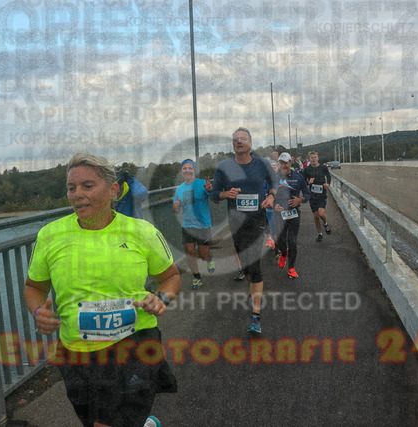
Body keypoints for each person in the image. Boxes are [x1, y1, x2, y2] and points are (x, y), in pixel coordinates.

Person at [24, 152, 180, 427]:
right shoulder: (50, 235)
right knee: (93, 419)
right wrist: (38, 311)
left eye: (87, 186)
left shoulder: (142, 232)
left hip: (133, 344)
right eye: (71, 188)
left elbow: (171, 277)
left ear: (112, 190)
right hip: (76, 351)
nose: (77, 194)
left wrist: (161, 297)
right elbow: (33, 287)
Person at [211, 127, 277, 334]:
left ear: (250, 143)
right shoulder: (224, 166)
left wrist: (271, 196)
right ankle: (252, 289)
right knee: (246, 267)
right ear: (233, 144)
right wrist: (226, 194)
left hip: (257, 220)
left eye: (243, 139)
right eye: (235, 139)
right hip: (236, 223)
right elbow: (214, 195)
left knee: (254, 266)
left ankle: (255, 317)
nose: (239, 142)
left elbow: (274, 181)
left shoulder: (262, 164)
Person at [173, 159, 215, 290]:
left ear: (194, 170)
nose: (187, 170)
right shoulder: (179, 189)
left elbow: (215, 198)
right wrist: (176, 206)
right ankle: (197, 278)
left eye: (190, 168)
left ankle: (209, 258)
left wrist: (211, 190)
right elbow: (176, 210)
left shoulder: (203, 183)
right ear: (182, 171)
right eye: (184, 168)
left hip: (203, 225)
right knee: (190, 253)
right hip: (187, 225)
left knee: (203, 254)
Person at [273, 153, 310, 279]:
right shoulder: (275, 177)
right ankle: (284, 254)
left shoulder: (298, 177)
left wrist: (300, 200)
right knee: (281, 241)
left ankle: (291, 268)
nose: (283, 165)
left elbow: (307, 193)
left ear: (290, 162)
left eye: (285, 163)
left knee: (292, 241)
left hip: (294, 213)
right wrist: (274, 205)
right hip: (279, 214)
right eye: (281, 163)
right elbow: (268, 195)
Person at [303, 150, 332, 242]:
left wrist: (328, 184)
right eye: (312, 158)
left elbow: (328, 176)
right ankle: (320, 234)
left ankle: (326, 223)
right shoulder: (307, 170)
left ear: (318, 158)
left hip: (321, 193)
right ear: (309, 159)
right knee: (316, 216)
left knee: (321, 213)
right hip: (312, 195)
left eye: (315, 157)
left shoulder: (323, 167)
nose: (313, 159)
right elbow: (303, 182)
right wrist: (308, 182)